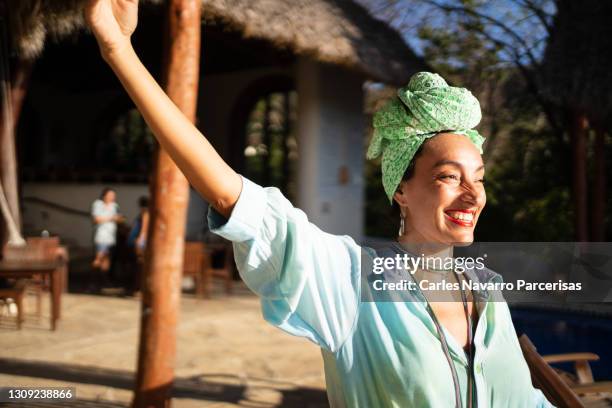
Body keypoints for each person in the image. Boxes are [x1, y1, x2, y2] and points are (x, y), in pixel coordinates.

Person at [84, 1, 554, 406]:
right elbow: (231, 193)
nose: (473, 194)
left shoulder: (489, 293)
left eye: (480, 178)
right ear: (401, 191)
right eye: (449, 177)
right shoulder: (350, 285)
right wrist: (119, 50)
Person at [91, 187, 123, 285]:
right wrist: (112, 218)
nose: (112, 197)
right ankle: (93, 281)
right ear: (104, 195)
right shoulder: (98, 204)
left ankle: (104, 282)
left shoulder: (115, 206)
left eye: (113, 195)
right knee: (99, 258)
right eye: (110, 195)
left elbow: (118, 219)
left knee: (106, 261)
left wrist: (119, 219)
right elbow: (96, 219)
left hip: (111, 237)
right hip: (101, 236)